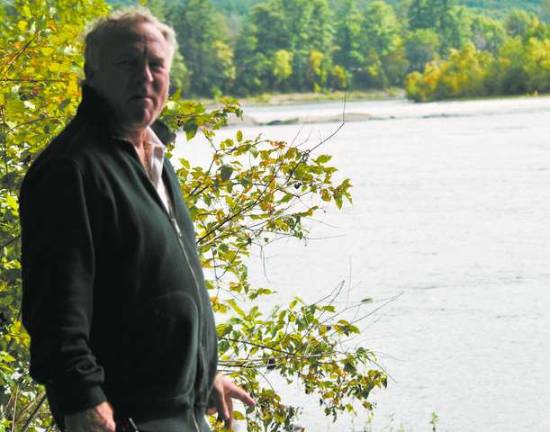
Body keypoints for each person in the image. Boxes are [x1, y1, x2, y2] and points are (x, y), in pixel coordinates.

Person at [19, 7, 254, 432]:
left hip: (178, 409)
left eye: (155, 64)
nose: (145, 77)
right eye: (127, 62)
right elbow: (54, 306)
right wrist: (82, 397)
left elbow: (149, 288)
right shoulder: (71, 169)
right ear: (91, 74)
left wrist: (205, 376)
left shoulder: (155, 157)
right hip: (125, 416)